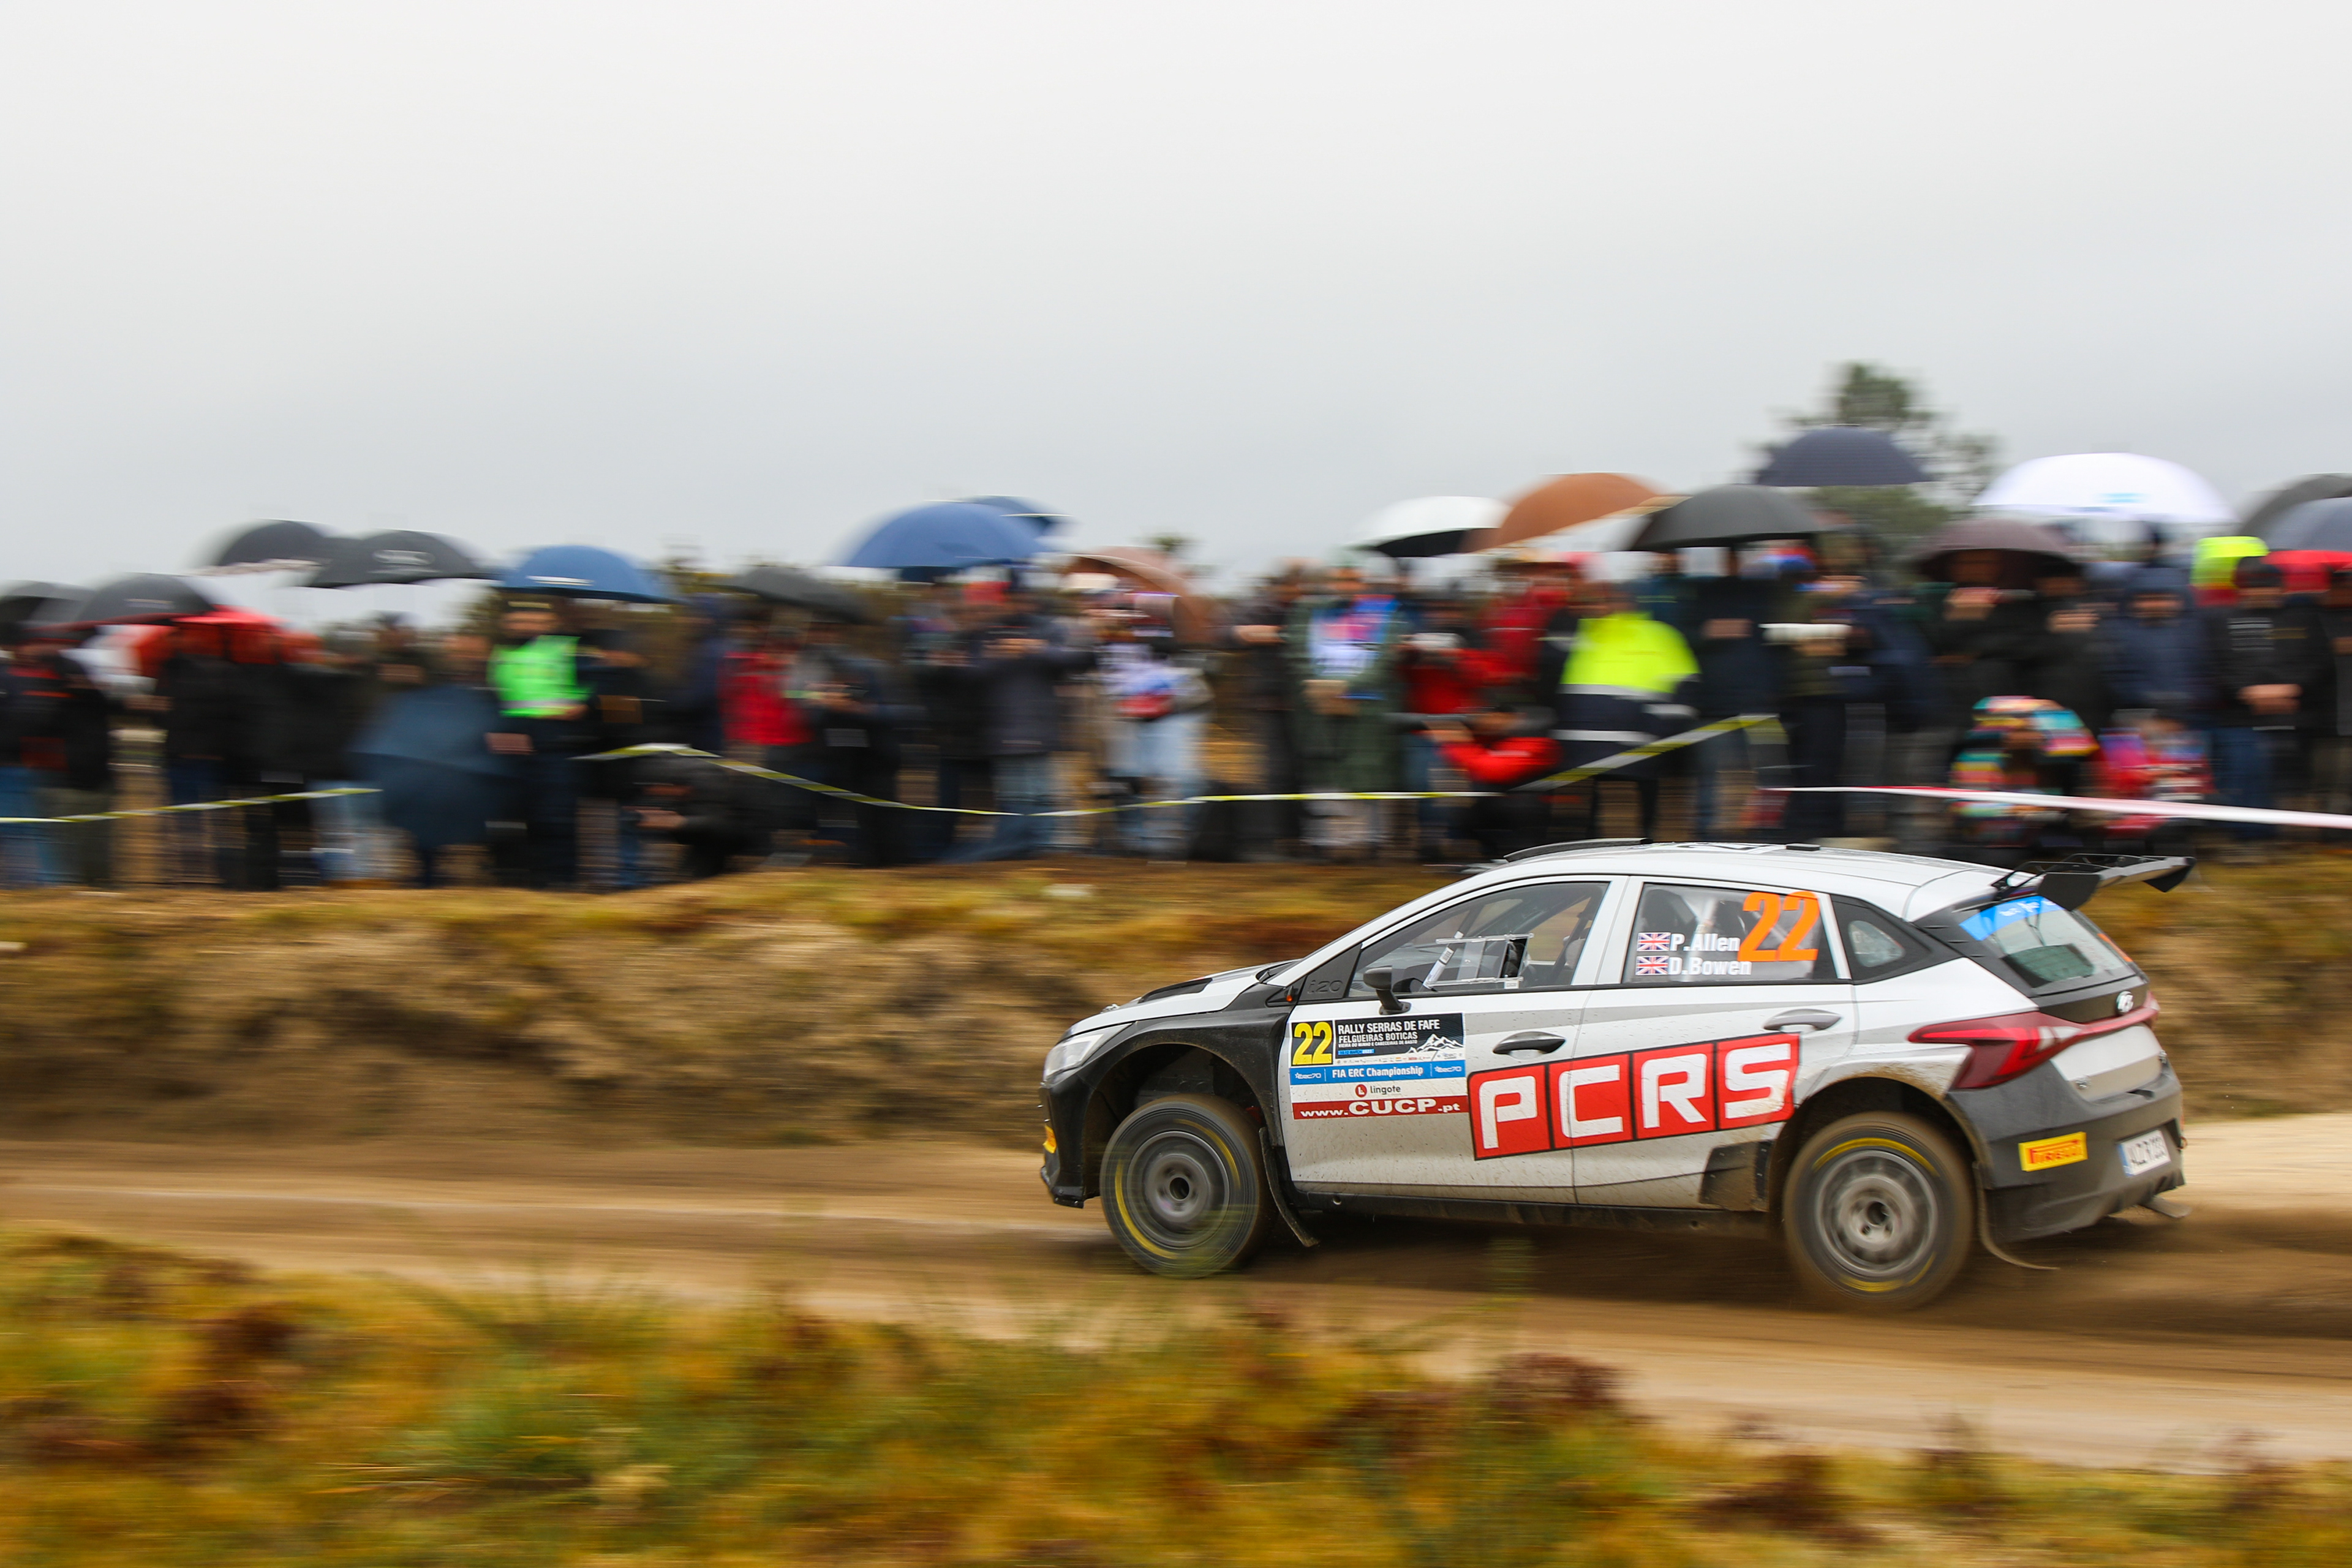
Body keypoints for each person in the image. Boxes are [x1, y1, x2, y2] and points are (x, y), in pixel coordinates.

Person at [946, 588, 1096, 862]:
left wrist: (1035, 647)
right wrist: (999, 654)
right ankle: (1015, 851)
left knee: (1041, 796)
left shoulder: (1048, 630)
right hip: (1003, 732)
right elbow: (968, 676)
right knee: (1018, 798)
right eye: (1015, 600)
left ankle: (1037, 850)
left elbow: (1079, 660)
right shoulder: (984, 637)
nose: (1021, 605)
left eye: (1026, 599)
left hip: (1041, 730)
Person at [1542, 579, 1695, 843]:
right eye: (1598, 601)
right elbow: (1548, 669)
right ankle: (1590, 854)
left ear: (1630, 603)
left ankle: (1643, 850)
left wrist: (1661, 734)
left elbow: (1683, 688)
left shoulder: (1657, 635)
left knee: (1643, 810)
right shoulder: (1580, 632)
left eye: (1611, 600)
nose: (1604, 607)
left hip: (1630, 741)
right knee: (1587, 818)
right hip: (1591, 744)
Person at [2201, 558, 2324, 856]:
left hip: (2296, 712)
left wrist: (2294, 690)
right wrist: (2247, 693)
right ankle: (2249, 839)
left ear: (2281, 589)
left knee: (2293, 779)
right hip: (2239, 715)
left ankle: (2294, 840)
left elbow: (2318, 660)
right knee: (2247, 777)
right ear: (2241, 590)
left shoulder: (2302, 619)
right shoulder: (2220, 621)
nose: (2261, 592)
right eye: (2254, 587)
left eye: (2269, 587)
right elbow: (2213, 661)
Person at [1286, 562, 1406, 859]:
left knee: (1368, 775)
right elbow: (1298, 654)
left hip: (1369, 711)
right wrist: (1324, 686)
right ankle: (1331, 844)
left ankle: (1369, 842)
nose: (1346, 586)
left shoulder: (1386, 615)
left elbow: (1384, 663)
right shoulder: (1310, 613)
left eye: (1354, 579)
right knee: (1325, 773)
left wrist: (1346, 685)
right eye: (1340, 579)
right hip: (1320, 707)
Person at [486, 600, 596, 889]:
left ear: (549, 623)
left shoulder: (568, 649)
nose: (524, 627)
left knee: (556, 821)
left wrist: (579, 708)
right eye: (517, 622)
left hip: (556, 742)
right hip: (514, 745)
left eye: (532, 621)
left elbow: (596, 691)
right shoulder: (501, 653)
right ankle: (524, 887)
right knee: (516, 820)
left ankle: (561, 886)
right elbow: (496, 697)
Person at [1095, 600, 1212, 859]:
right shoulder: (1112, 633)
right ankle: (1134, 839)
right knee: (1125, 775)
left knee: (1178, 777)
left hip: (1179, 709)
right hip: (1131, 711)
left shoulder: (1174, 623)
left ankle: (1170, 842)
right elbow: (1109, 672)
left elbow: (1194, 665)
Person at [1423, 703, 1561, 859]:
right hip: (1500, 810)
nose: (1485, 720)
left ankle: (1517, 861)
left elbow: (1495, 771)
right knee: (1465, 816)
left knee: (1516, 806)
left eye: (1493, 716)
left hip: (1526, 813)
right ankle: (1494, 855)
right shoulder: (1497, 738)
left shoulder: (1536, 741)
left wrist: (1457, 743)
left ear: (1513, 717)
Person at [629, 756, 777, 879]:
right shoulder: (682, 789)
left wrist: (679, 823)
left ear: (668, 783)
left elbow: (717, 825)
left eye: (653, 788)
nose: (651, 792)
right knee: (689, 873)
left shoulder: (708, 783)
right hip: (716, 840)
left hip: (746, 835)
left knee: (697, 872)